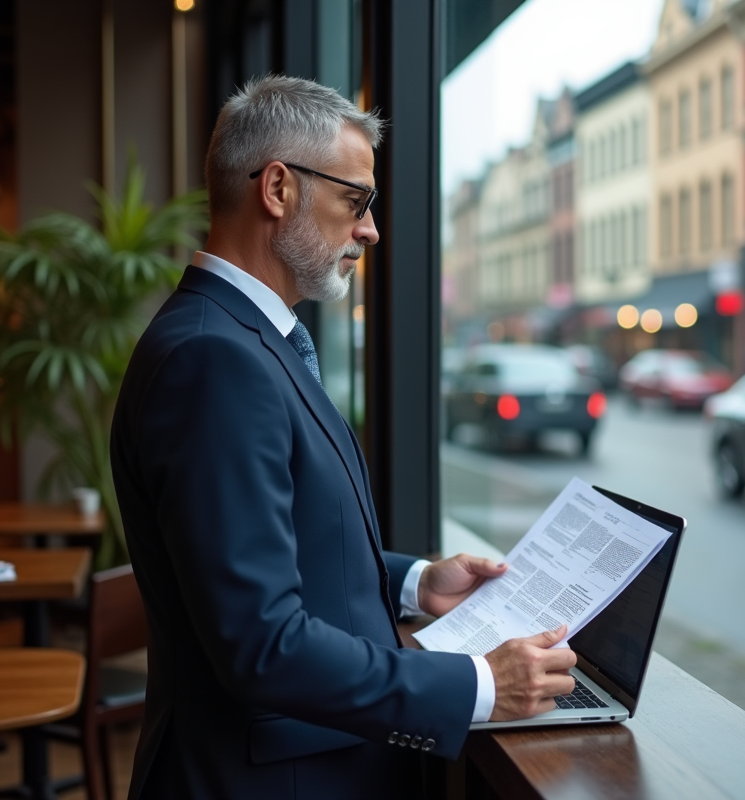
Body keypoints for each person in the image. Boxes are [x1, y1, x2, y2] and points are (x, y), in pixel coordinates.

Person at [110, 74, 577, 800]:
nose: (371, 229)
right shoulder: (214, 359)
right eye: (356, 201)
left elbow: (274, 545)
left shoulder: (241, 339)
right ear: (277, 189)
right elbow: (262, 643)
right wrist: (481, 684)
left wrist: (415, 581)